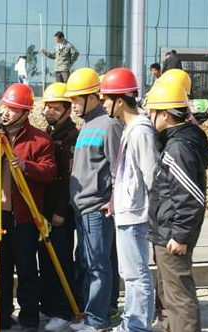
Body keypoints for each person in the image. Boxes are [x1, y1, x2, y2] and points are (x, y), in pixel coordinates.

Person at [0, 83, 56, 331]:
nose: (7, 113)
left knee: (26, 270)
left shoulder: (40, 139)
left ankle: (30, 318)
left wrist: (27, 166)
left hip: (24, 217)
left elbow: (50, 172)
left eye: (13, 109)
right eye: (5, 107)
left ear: (25, 113)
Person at [146, 81, 208, 332]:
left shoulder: (178, 147)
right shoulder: (180, 140)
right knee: (170, 294)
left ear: (165, 114)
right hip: (167, 231)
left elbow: (190, 196)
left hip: (172, 235)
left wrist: (180, 234)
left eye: (152, 112)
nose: (149, 117)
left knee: (179, 297)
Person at [100, 68, 160, 332]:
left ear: (120, 101)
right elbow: (127, 173)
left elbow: (152, 177)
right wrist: (115, 201)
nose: (103, 104)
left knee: (137, 275)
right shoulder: (130, 128)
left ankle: (137, 327)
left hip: (136, 215)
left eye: (106, 99)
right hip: (126, 211)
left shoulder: (141, 131)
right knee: (130, 274)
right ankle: (131, 324)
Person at [65, 68, 123, 332]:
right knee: (89, 263)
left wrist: (110, 201)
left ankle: (97, 321)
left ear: (92, 97)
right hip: (82, 208)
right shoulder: (87, 126)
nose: (73, 104)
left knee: (98, 265)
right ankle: (98, 314)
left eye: (76, 99)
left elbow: (117, 170)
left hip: (97, 209)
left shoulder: (109, 125)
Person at [39, 82, 79, 332]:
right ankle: (50, 304)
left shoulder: (72, 137)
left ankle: (64, 310)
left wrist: (62, 211)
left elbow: (70, 178)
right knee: (46, 260)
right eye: (47, 107)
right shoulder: (49, 134)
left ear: (67, 110)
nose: (49, 111)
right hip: (44, 210)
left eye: (55, 108)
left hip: (59, 212)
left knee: (62, 261)